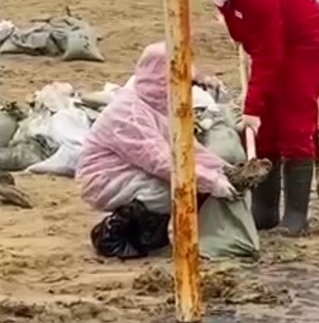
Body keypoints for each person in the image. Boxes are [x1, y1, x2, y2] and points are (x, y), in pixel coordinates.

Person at [193, 0, 319, 236]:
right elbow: (256, 42)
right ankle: (265, 211)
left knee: (294, 122)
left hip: (305, 42)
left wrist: (252, 109)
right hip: (272, 42)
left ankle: (296, 216)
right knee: (264, 130)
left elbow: (271, 56)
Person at [76, 42, 235, 219]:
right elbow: (159, 159)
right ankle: (123, 226)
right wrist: (209, 180)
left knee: (186, 184)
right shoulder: (129, 114)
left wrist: (224, 170)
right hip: (104, 177)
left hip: (129, 167)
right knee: (172, 192)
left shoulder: (160, 105)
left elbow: (186, 148)